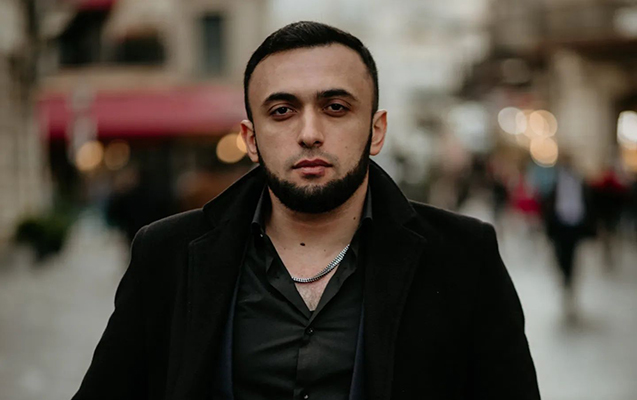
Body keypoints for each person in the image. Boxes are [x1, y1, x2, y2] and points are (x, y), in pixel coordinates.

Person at [72, 21, 540, 400]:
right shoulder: (167, 255)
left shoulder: (463, 257)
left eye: (335, 107)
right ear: (250, 139)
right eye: (282, 111)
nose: (309, 133)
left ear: (376, 130)